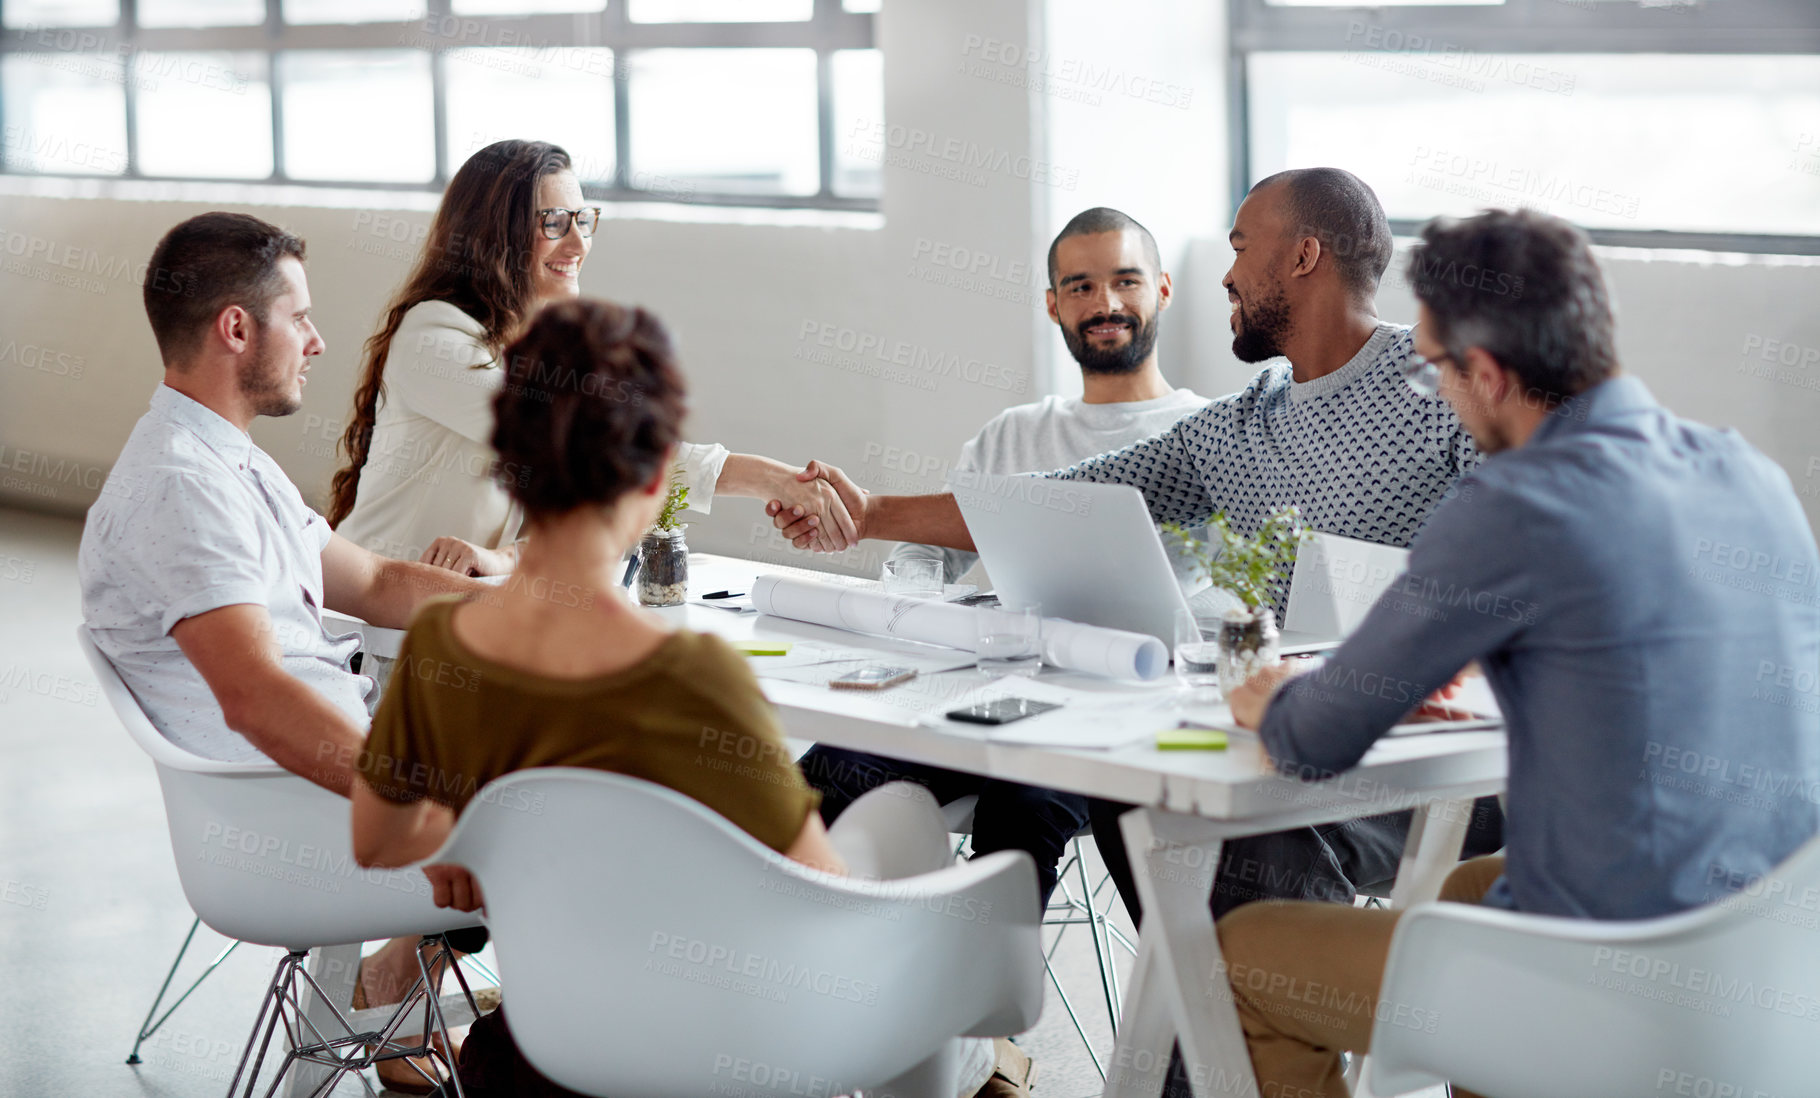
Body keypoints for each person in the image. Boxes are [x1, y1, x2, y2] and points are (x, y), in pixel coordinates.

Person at [772, 168, 1500, 926]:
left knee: (1210, 832)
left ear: (1304, 257)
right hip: (1293, 741)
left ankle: (1257, 1018)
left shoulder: (1448, 383)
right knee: (1137, 791)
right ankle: (1218, 1024)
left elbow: (1545, 559)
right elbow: (1059, 503)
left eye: (1242, 246)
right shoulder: (1235, 428)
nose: (1227, 274)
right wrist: (869, 512)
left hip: (1441, 762)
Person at [1207, 208, 1820, 1098]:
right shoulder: (1749, 473)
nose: (1436, 391)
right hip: (1774, 963)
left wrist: (1271, 698)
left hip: (1611, 990)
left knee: (1239, 958)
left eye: (1433, 372)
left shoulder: (1516, 501)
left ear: (1486, 374)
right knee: (1463, 893)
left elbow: (1316, 740)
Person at [348, 298, 1029, 1098]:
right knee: (908, 824)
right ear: (657, 480)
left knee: (899, 827)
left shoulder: (440, 648)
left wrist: (469, 838)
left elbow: (378, 838)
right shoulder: (691, 677)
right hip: (726, 1038)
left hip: (557, 1032)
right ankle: (973, 1057)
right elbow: (821, 891)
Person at [77, 212, 492, 1092]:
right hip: (293, 827)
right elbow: (257, 698)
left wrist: (529, 610)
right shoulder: (183, 489)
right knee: (610, 807)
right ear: (237, 328)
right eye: (299, 317)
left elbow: (376, 581)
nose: (317, 339)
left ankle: (422, 1013)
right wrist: (425, 811)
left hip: (323, 795)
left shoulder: (223, 458)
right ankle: (519, 1049)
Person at [800, 208, 1207, 908]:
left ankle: (981, 1000)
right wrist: (936, 612)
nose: (1104, 304)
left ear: (1162, 290)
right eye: (1079, 287)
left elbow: (1224, 595)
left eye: (1125, 281)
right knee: (824, 772)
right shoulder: (1015, 435)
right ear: (1053, 305)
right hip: (984, 696)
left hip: (1112, 717)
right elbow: (924, 554)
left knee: (1024, 806)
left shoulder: (1206, 431)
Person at [328, 139, 855, 574]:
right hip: (365, 626)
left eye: (583, 219)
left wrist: (500, 558)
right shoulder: (434, 333)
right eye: (553, 222)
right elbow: (588, 448)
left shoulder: (547, 356)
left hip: (455, 610)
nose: (578, 243)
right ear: (493, 236)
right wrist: (767, 478)